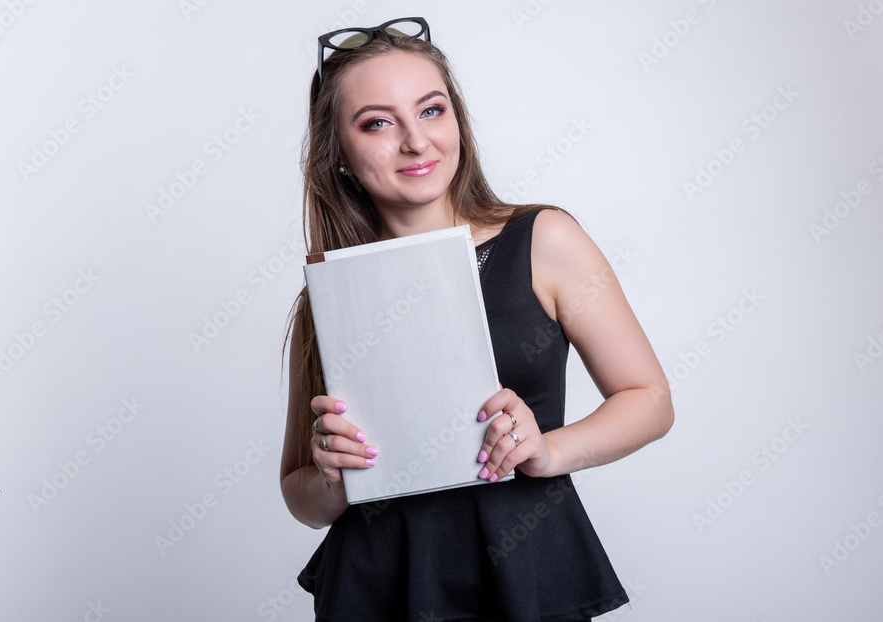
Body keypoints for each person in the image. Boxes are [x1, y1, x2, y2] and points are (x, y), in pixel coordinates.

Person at [279, 16, 674, 621]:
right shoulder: (329, 297)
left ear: (457, 121)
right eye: (377, 122)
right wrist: (332, 476)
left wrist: (548, 451)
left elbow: (649, 399)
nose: (415, 141)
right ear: (340, 156)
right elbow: (299, 494)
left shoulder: (544, 240)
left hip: (525, 571)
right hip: (379, 582)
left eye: (432, 110)